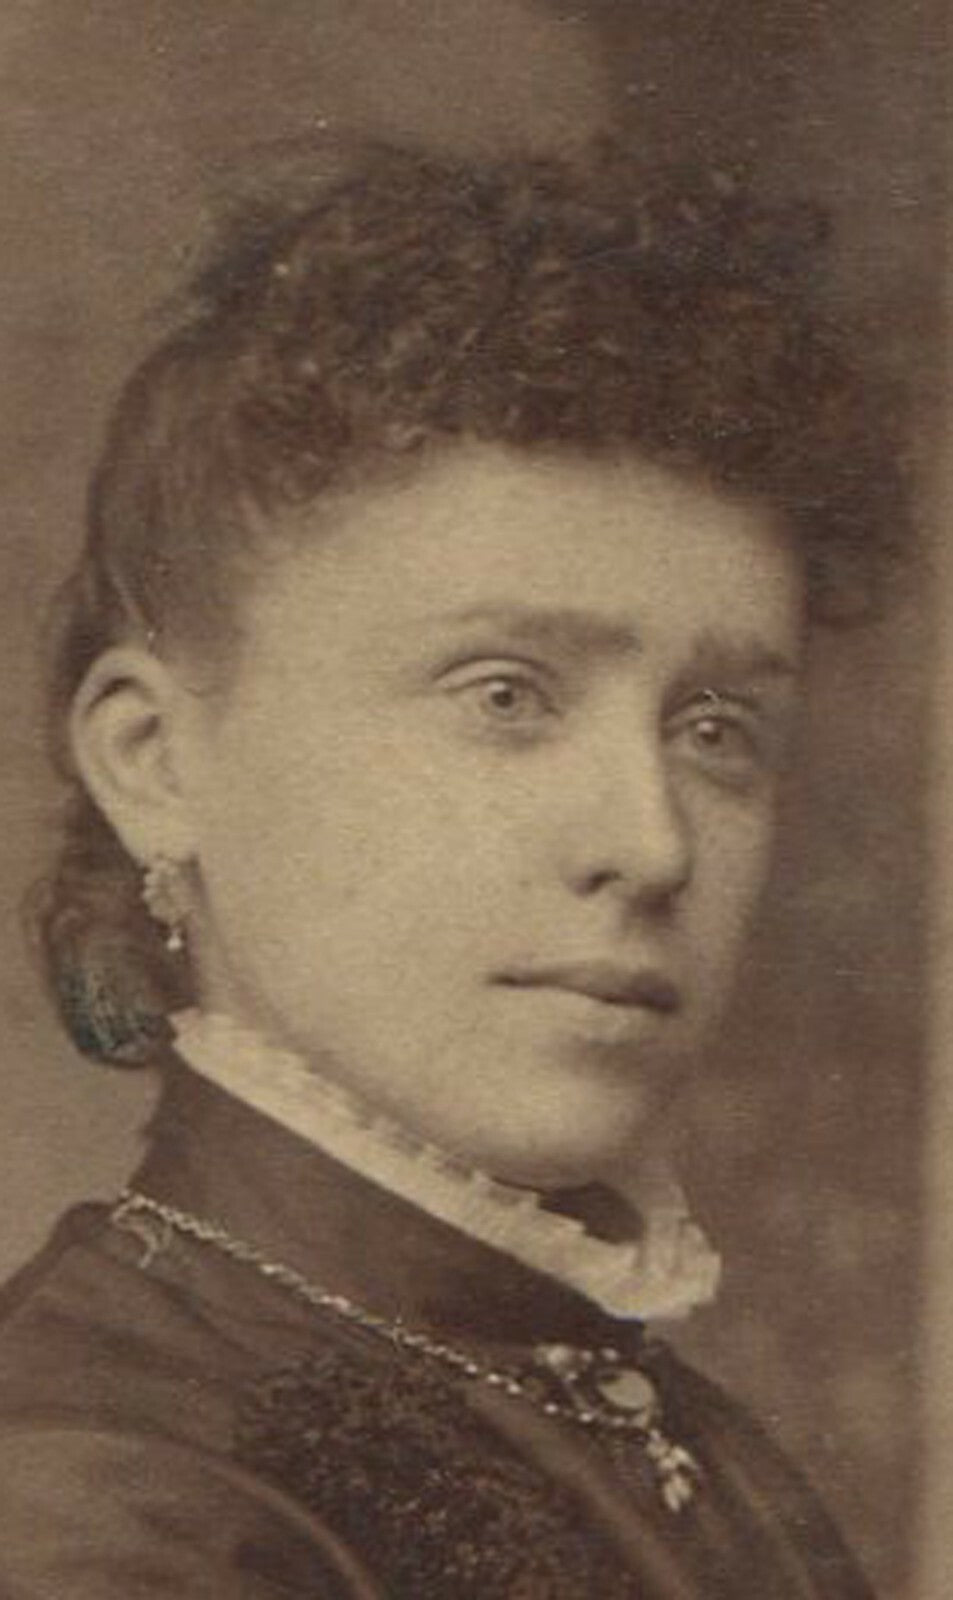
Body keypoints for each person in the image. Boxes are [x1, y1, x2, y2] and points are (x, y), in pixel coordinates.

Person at [0, 139, 903, 1596]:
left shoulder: (683, 1444)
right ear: (154, 762)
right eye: (504, 695)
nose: (650, 841)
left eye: (716, 726)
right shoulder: (89, 1495)